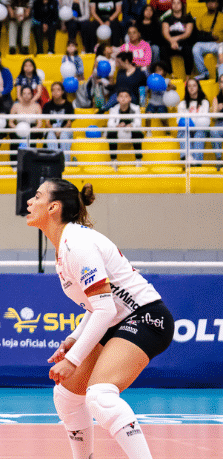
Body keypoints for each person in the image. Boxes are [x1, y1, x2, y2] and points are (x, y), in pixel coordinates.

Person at [28, 179, 173, 459]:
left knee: (100, 396)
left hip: (147, 318)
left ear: (54, 207)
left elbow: (105, 310)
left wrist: (72, 361)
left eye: (37, 196)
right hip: (117, 320)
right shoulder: (65, 246)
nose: (29, 202)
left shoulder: (77, 245)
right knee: (67, 396)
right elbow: (98, 306)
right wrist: (73, 338)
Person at [106, 90, 143, 164]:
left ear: (130, 98)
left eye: (126, 96)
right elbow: (110, 123)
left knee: (138, 133)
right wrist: (117, 126)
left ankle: (138, 160)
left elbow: (138, 122)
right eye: (121, 96)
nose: (123, 98)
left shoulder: (136, 108)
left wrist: (132, 125)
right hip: (119, 132)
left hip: (131, 131)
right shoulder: (113, 109)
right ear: (117, 99)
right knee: (111, 134)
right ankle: (113, 160)